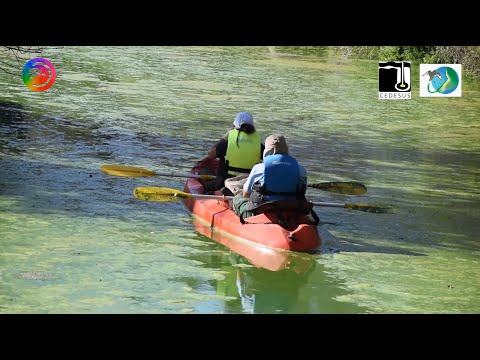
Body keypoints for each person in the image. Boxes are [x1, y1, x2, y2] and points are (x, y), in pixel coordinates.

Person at [232, 134, 314, 221]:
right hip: (291, 209)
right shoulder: (301, 169)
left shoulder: (259, 167)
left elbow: (246, 194)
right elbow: (302, 193)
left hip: (263, 211)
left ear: (267, 151)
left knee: (238, 198)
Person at [205, 112, 264, 193]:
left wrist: (223, 138)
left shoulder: (228, 141)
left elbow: (210, 155)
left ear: (235, 126)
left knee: (203, 172)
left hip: (226, 182)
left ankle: (218, 192)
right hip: (249, 183)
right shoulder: (258, 143)